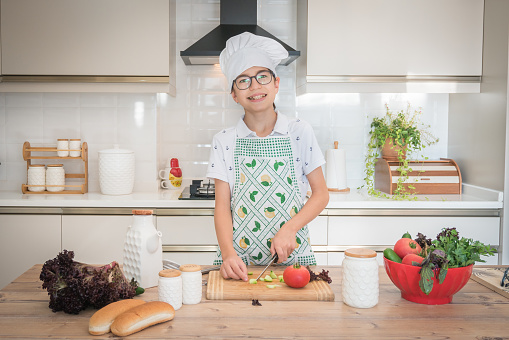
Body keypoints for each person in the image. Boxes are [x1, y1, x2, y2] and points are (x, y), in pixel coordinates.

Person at [206, 32, 329, 281]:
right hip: (239, 264)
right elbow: (222, 207)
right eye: (243, 81)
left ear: (276, 83)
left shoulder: (299, 132)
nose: (254, 86)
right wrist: (228, 253)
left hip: (292, 262)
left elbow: (321, 194)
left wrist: (289, 228)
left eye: (262, 76)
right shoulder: (224, 141)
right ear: (234, 94)